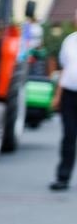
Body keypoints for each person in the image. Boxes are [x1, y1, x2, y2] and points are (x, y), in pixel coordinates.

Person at [50, 27, 77, 192]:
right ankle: (63, 177)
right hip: (69, 94)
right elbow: (64, 69)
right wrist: (57, 95)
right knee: (68, 136)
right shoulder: (70, 41)